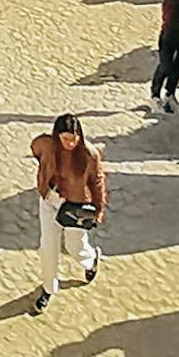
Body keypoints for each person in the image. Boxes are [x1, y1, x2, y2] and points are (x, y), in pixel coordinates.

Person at [31, 109, 107, 306]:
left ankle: (90, 261)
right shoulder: (47, 145)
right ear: (57, 136)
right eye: (65, 139)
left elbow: (97, 182)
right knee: (48, 247)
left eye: (74, 139)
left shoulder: (89, 154)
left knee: (75, 246)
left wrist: (98, 209)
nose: (70, 143)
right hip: (50, 200)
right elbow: (35, 148)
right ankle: (48, 288)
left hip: (76, 204)